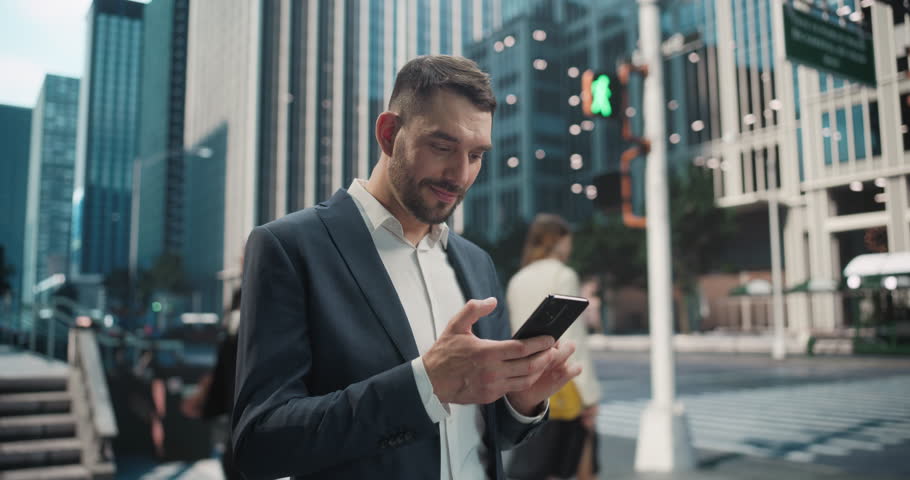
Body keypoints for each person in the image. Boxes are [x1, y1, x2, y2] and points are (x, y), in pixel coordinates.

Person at [232, 55, 581, 480]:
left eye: (476, 154)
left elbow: (480, 436)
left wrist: (520, 403)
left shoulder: (477, 263)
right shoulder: (290, 248)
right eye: (442, 147)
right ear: (388, 133)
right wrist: (424, 384)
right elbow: (260, 443)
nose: (460, 174)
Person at [505, 214, 602, 480]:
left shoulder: (517, 279)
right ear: (558, 241)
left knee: (535, 465)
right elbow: (574, 341)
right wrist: (590, 395)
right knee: (566, 467)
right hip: (560, 384)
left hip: (526, 386)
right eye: (568, 240)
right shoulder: (564, 275)